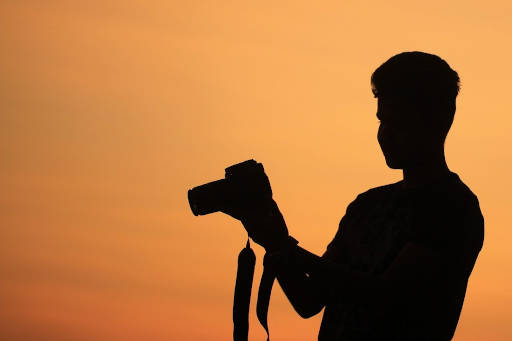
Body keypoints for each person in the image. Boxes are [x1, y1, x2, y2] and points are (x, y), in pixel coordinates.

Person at [221, 51, 485, 340]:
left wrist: (287, 250)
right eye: (382, 121)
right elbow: (309, 300)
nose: (385, 134)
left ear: (436, 120)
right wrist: (272, 239)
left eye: (398, 121)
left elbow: (388, 295)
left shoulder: (453, 206)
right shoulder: (366, 206)